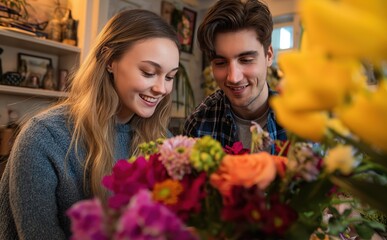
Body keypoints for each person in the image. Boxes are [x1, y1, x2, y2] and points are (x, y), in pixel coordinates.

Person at [0, 9, 180, 239]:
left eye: (170, 77)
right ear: (109, 61)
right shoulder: (44, 137)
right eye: (148, 72)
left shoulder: (161, 139)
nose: (162, 89)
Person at [183, 0, 286, 153]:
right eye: (220, 62)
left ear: (269, 56)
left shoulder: (300, 121)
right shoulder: (199, 121)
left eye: (246, 60)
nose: (233, 78)